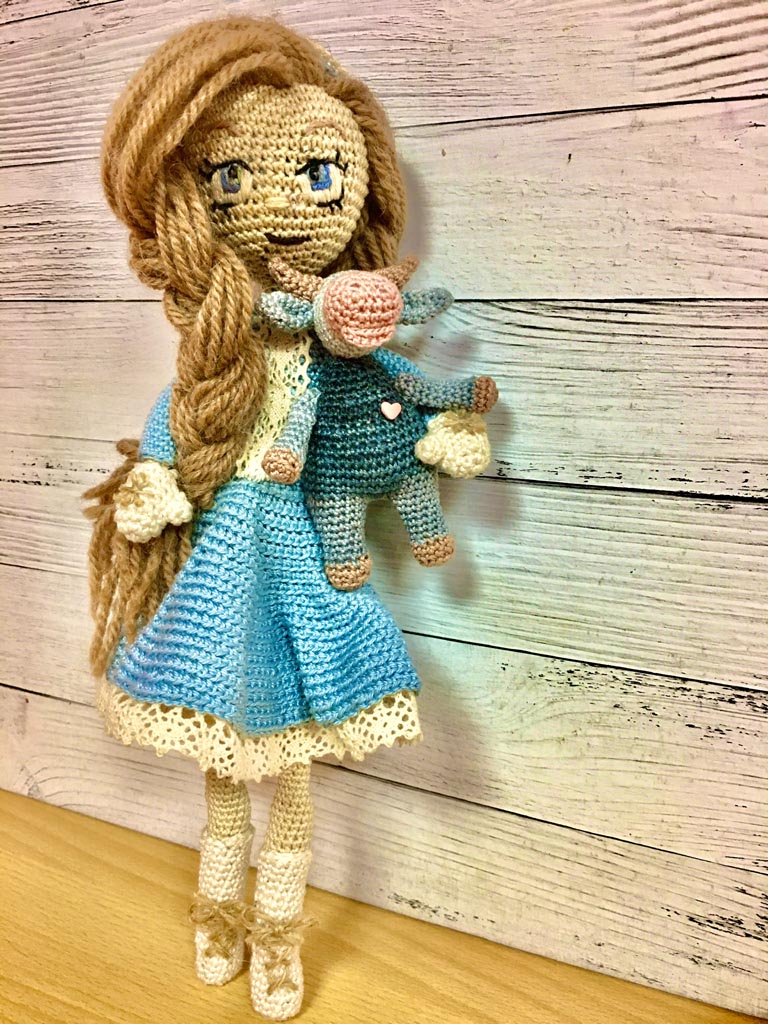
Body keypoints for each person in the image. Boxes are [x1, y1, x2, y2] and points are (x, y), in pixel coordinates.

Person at [84, 16, 494, 1021]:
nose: (274, 206)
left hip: (301, 557)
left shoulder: (336, 351)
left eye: (316, 176)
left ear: (356, 191)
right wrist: (158, 481)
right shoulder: (218, 351)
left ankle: (278, 931)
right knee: (224, 759)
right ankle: (217, 908)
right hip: (223, 561)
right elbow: (177, 422)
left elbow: (385, 405)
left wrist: (438, 431)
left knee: (296, 761)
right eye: (229, 180)